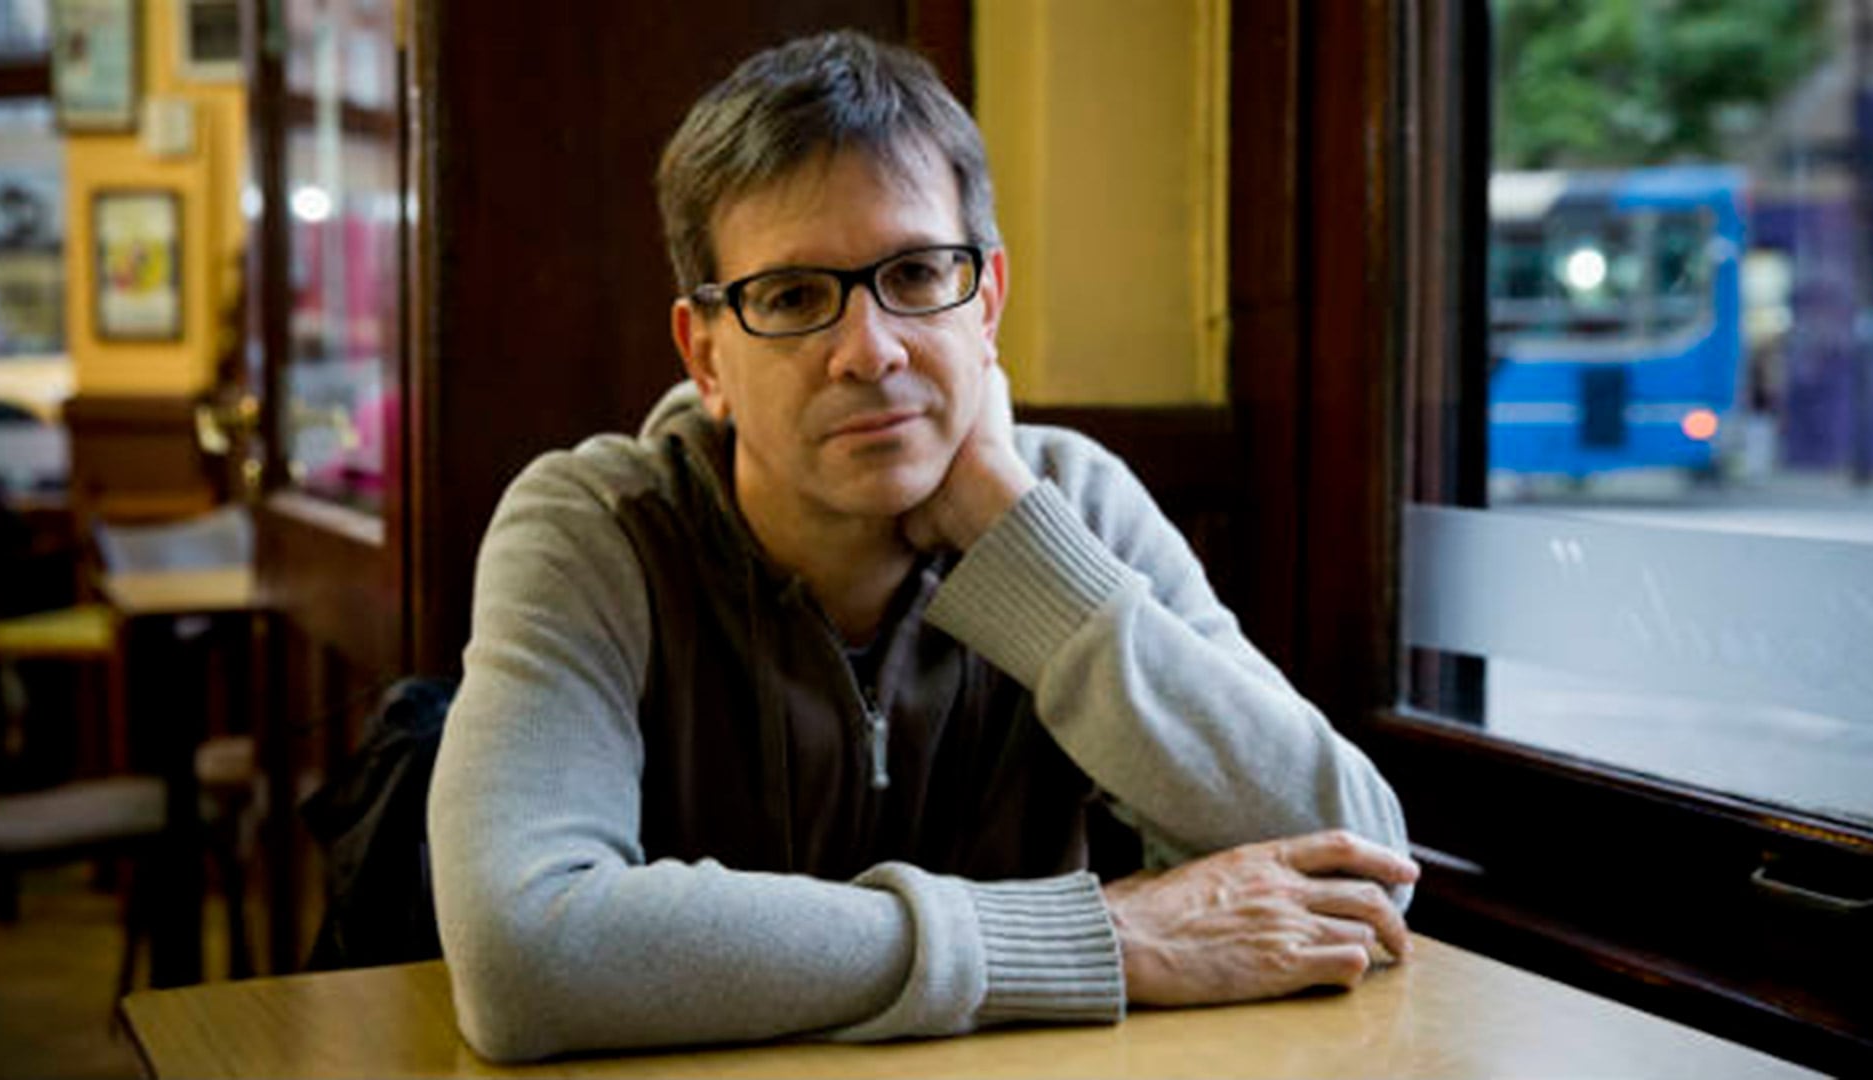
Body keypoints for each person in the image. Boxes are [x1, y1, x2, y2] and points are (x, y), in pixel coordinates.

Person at [427, 30, 1417, 1063]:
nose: (870, 350)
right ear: (705, 354)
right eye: (793, 297)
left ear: (985, 305)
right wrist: (1098, 941)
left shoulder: (1073, 498)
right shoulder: (595, 526)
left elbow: (1362, 864)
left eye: (914, 274)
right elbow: (522, 956)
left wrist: (1013, 537)